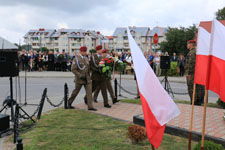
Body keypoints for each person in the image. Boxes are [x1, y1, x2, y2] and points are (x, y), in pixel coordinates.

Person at [67, 46, 97, 111]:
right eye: (84, 51)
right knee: (75, 92)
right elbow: (73, 69)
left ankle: (90, 106)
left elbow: (88, 68)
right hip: (79, 79)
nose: (85, 52)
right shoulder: (76, 59)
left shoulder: (86, 58)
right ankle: (69, 103)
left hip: (87, 78)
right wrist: (80, 76)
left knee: (89, 92)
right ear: (81, 52)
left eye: (86, 51)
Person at [185, 40, 205, 105]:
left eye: (188, 44)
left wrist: (188, 73)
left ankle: (194, 101)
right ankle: (198, 101)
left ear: (191, 44)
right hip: (197, 73)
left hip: (192, 74)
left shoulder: (192, 53)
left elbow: (191, 64)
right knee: (197, 88)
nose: (187, 45)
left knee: (191, 88)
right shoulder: (197, 52)